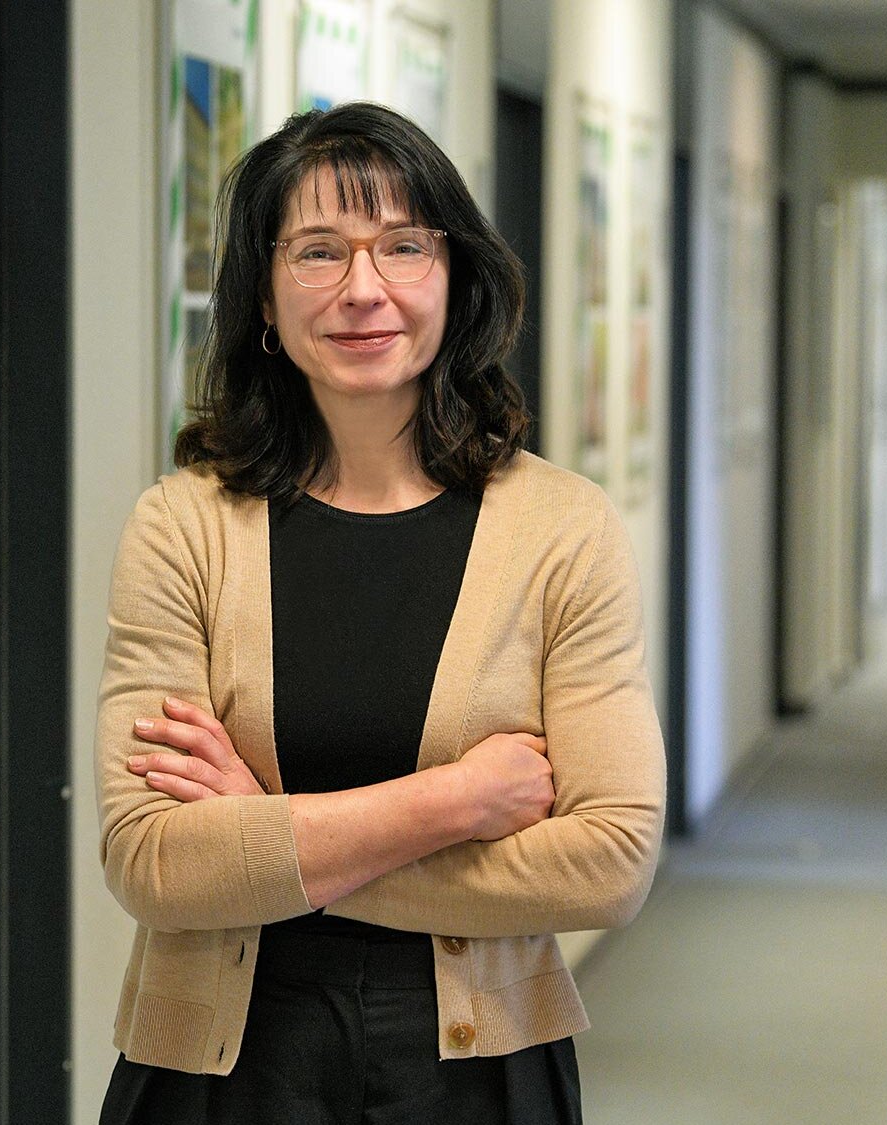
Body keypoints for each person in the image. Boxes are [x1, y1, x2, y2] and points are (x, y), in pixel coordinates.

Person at [93, 103, 665, 1124]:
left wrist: (268, 844)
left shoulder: (560, 531)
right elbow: (153, 862)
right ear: (262, 300)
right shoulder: (182, 527)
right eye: (317, 251)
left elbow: (607, 860)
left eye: (402, 246)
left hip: (472, 1077)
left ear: (454, 277)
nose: (363, 289)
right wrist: (450, 804)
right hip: (222, 1072)